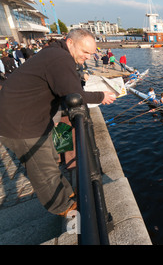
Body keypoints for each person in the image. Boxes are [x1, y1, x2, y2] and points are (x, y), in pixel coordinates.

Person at [0, 29, 116, 217]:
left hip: (30, 118)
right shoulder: (60, 59)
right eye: (84, 52)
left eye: (91, 53)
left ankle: (67, 193)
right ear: (70, 43)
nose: (87, 57)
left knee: (51, 158)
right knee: (43, 169)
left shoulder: (55, 52)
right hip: (20, 124)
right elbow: (75, 95)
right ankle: (64, 208)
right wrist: (102, 96)